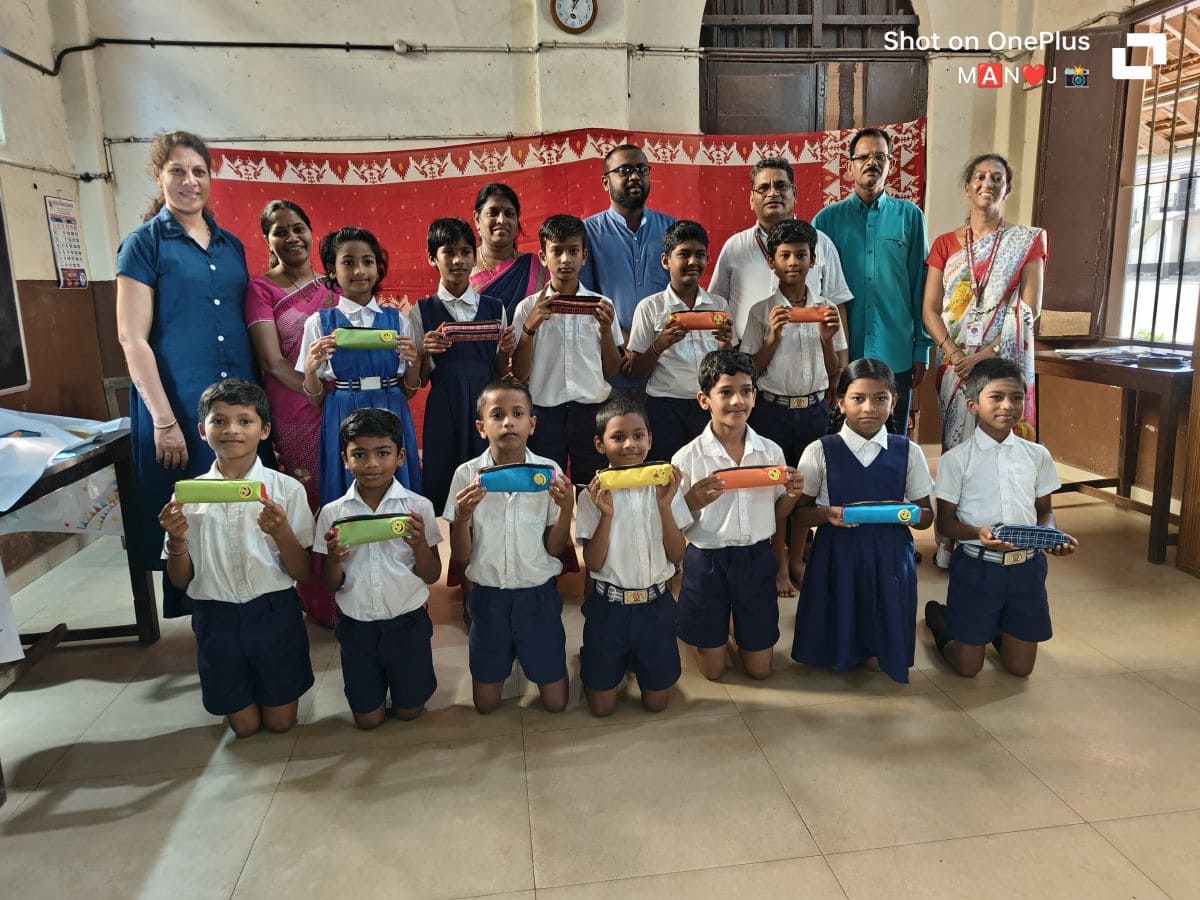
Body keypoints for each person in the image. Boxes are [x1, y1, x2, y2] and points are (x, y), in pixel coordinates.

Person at [116, 131, 258, 618]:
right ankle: (206, 615)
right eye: (177, 170)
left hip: (237, 405)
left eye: (199, 171)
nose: (189, 182)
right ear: (159, 176)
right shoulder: (143, 244)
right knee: (191, 510)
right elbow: (132, 339)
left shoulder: (230, 245)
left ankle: (246, 598)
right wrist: (162, 418)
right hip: (179, 403)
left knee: (236, 504)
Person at [157, 379, 315, 738]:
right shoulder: (187, 496)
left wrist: (281, 533)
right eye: (219, 421)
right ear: (202, 430)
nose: (231, 430)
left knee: (279, 724)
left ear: (265, 430)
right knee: (244, 729)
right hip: (216, 615)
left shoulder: (286, 490)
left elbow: (303, 572)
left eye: (245, 420)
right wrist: (177, 540)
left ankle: (269, 691)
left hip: (273, 611)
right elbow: (181, 580)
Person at [925, 358, 1077, 679]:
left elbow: (1045, 512)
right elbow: (945, 524)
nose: (1008, 405)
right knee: (968, 667)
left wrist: (1052, 536)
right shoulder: (956, 460)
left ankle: (995, 627)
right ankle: (940, 618)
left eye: (1017, 397)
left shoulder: (1037, 455)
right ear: (973, 405)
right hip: (978, 568)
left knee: (1020, 669)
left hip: (1027, 569)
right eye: (996, 397)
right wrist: (978, 532)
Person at [790, 359, 934, 684]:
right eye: (858, 398)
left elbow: (926, 517)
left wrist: (907, 513)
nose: (869, 408)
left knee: (876, 661)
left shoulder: (908, 451)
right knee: (839, 647)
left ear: (894, 401)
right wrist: (826, 515)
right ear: (840, 402)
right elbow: (799, 515)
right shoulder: (819, 451)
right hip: (836, 553)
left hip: (890, 557)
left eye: (880, 398)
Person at [673, 349, 805, 682]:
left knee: (760, 670)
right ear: (705, 400)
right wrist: (690, 500)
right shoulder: (687, 457)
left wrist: (792, 495)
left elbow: (778, 515)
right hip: (707, 562)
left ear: (755, 396)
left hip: (756, 560)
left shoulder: (770, 451)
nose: (737, 401)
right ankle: (696, 632)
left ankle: (732, 625)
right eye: (726, 392)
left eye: (746, 391)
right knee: (714, 671)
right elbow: (674, 524)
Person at [445, 381, 574, 714]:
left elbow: (554, 547)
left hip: (537, 596)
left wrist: (567, 510)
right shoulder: (466, 474)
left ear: (532, 424)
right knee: (485, 706)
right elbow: (461, 556)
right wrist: (461, 518)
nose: (508, 423)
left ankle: (527, 653)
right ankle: (506, 654)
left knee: (557, 703)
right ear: (481, 426)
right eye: (497, 415)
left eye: (518, 414)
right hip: (489, 598)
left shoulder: (549, 472)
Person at [739, 219, 848, 596]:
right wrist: (772, 336)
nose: (793, 262)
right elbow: (750, 370)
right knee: (776, 490)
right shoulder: (761, 310)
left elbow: (835, 374)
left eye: (801, 255)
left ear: (813, 259)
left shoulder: (827, 309)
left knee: (806, 490)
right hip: (772, 410)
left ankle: (799, 559)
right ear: (772, 262)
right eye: (784, 255)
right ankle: (779, 565)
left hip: (814, 408)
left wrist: (827, 339)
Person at [315, 408, 441, 729]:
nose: (371, 464)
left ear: (400, 457)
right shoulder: (332, 513)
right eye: (359, 454)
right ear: (345, 458)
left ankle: (405, 691)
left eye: (382, 453)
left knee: (410, 710)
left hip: (408, 624)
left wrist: (419, 545)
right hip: (357, 627)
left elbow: (432, 575)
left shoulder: (418, 507)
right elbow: (331, 584)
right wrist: (333, 558)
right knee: (367, 720)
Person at [244, 199, 338, 627]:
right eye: (280, 231)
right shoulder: (261, 290)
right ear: (268, 240)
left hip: (340, 410)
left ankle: (351, 590)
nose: (292, 237)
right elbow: (272, 361)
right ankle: (318, 600)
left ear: (311, 232)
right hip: (296, 410)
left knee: (343, 496)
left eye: (299, 227)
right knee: (311, 500)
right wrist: (314, 391)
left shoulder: (333, 285)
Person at [921, 153, 1047, 451]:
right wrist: (953, 354)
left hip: (1003, 357)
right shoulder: (944, 243)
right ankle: (959, 496)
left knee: (1002, 431)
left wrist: (988, 353)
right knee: (957, 440)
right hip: (956, 360)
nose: (986, 183)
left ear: (1008, 189)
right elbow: (929, 309)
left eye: (996, 178)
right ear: (967, 187)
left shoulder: (1025, 242)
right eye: (979, 176)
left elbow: (1030, 310)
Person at [576, 397, 691, 716]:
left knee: (657, 704)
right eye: (618, 437)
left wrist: (665, 507)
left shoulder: (665, 489)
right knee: (601, 708)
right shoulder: (592, 495)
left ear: (650, 439)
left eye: (638, 436)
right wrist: (606, 516)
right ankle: (598, 660)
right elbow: (595, 564)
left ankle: (633, 661)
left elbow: (677, 554)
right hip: (608, 607)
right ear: (600, 444)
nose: (629, 445)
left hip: (655, 607)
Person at [813, 129, 931, 435]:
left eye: (880, 156)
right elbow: (814, 290)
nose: (871, 163)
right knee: (840, 442)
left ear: (891, 164)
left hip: (897, 352)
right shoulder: (826, 221)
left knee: (893, 440)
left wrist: (922, 349)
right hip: (842, 356)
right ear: (850, 165)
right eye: (863, 156)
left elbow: (922, 287)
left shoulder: (910, 217)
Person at [295, 226, 422, 506]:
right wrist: (309, 369)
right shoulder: (319, 323)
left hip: (392, 405)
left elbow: (409, 390)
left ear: (378, 267)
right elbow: (315, 399)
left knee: (396, 487)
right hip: (341, 409)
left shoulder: (399, 321)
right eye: (348, 262)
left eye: (367, 261)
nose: (359, 271)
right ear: (332, 269)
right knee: (346, 489)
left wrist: (415, 364)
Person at [410, 217, 516, 514]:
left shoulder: (495, 308)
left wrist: (506, 350)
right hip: (444, 407)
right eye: (448, 252)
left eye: (466, 251)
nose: (458, 260)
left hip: (487, 408)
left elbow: (498, 371)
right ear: (433, 257)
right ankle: (451, 555)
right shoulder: (422, 311)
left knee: (489, 481)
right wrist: (423, 353)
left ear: (474, 255)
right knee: (444, 482)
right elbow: (420, 381)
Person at [511, 214, 623, 487]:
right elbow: (520, 373)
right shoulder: (527, 308)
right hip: (544, 412)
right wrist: (529, 328)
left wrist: (606, 330)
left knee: (593, 489)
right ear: (542, 256)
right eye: (557, 251)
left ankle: (589, 532)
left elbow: (613, 370)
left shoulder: (601, 305)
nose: (565, 260)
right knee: (545, 488)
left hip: (593, 410)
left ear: (584, 256)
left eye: (573, 251)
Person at [708, 156, 853, 347]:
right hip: (744, 355)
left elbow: (837, 303)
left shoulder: (820, 243)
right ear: (752, 199)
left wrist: (841, 366)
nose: (773, 193)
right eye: (763, 188)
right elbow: (716, 304)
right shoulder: (735, 247)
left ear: (794, 193)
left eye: (780, 186)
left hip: (808, 354)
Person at [625, 220, 732, 462]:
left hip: (708, 405)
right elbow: (635, 371)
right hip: (664, 406)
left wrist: (726, 345)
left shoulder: (719, 306)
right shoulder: (650, 307)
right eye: (684, 254)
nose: (693, 262)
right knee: (667, 472)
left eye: (700, 255)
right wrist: (659, 344)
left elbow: (724, 364)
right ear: (666, 260)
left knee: (709, 469)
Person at [578, 144, 676, 391]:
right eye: (624, 170)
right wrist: (628, 342)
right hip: (612, 359)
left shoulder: (671, 229)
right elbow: (585, 297)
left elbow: (680, 293)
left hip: (667, 361)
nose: (634, 176)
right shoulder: (588, 233)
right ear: (605, 182)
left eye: (641, 169)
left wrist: (650, 346)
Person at [469, 183, 548, 321]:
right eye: (493, 213)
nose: (502, 220)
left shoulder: (537, 267)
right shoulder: (462, 267)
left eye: (509, 214)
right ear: (477, 219)